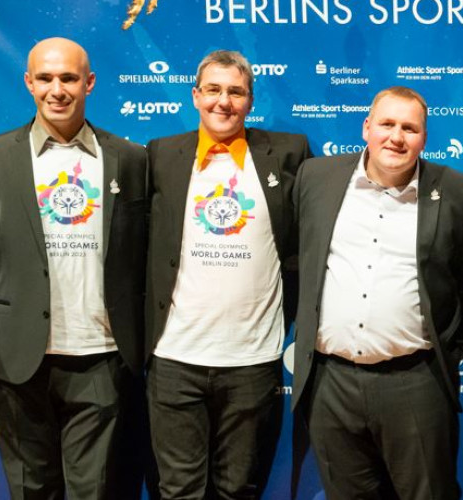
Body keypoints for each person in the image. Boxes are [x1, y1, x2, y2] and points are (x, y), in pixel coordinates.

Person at [0, 37, 149, 499]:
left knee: (94, 492)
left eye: (69, 78)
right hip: (18, 361)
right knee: (32, 490)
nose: (58, 89)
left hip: (103, 356)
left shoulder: (131, 160)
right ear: (29, 83)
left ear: (89, 83)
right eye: (47, 78)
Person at [290, 86, 463, 500]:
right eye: (387, 124)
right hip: (330, 383)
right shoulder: (316, 178)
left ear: (424, 138)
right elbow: (293, 257)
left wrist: (451, 349)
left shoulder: (459, 193)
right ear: (366, 128)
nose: (396, 137)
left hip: (415, 383)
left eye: (410, 128)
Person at [145, 49, 312, 499]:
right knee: (179, 491)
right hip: (175, 358)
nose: (224, 101)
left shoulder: (289, 155)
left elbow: (303, 247)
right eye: (214, 90)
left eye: (235, 92)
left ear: (251, 100)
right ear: (195, 96)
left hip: (252, 362)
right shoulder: (161, 156)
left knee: (238, 490)